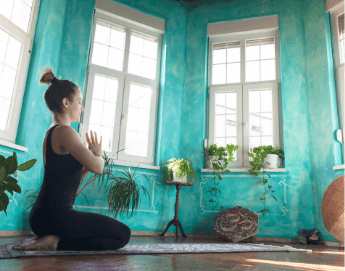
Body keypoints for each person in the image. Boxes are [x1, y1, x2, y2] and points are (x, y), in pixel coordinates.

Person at [12, 67, 131, 251]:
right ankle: (55, 243)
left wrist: (88, 160)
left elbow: (72, 177)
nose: (82, 107)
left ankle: (54, 240)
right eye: (80, 101)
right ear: (66, 102)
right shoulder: (65, 132)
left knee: (117, 236)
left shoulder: (53, 131)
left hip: (44, 216)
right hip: (54, 216)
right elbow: (99, 168)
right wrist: (96, 154)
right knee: (123, 235)